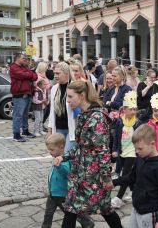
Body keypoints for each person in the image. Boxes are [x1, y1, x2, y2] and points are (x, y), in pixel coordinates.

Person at [54, 80, 123, 228]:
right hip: (79, 174)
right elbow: (81, 147)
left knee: (106, 209)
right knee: (71, 208)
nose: (68, 100)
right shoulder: (84, 115)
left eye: (71, 96)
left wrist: (106, 177)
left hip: (94, 177)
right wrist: (63, 156)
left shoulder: (96, 118)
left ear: (82, 95)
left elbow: (103, 151)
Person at [113, 124, 158, 228]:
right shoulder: (140, 158)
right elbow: (132, 177)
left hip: (150, 213)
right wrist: (114, 182)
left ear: (152, 144)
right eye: (135, 148)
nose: (137, 152)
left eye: (140, 148)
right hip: (137, 209)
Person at [42, 134, 94, 228]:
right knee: (48, 215)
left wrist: (59, 166)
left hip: (62, 195)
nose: (49, 152)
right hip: (52, 194)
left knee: (71, 213)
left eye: (52, 150)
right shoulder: (56, 158)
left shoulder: (66, 160)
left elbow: (67, 173)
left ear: (61, 147)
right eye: (49, 149)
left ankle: (86, 222)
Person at [111, 91, 142, 208]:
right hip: (122, 151)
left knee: (125, 174)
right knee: (129, 175)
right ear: (124, 109)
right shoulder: (120, 122)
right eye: (131, 109)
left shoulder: (137, 123)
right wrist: (115, 149)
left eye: (135, 109)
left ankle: (119, 197)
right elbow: (117, 137)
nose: (134, 112)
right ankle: (134, 191)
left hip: (132, 153)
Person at [47, 62, 76, 153]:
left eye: (58, 73)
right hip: (58, 128)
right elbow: (52, 111)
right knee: (57, 155)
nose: (55, 76)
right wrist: (50, 131)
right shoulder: (54, 88)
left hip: (72, 128)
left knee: (66, 155)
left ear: (66, 74)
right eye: (54, 73)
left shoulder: (74, 87)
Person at [10, 53, 38, 142]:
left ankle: (25, 131)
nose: (25, 59)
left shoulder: (24, 67)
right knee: (18, 115)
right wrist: (29, 74)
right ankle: (16, 134)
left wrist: (29, 73)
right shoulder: (14, 67)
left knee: (25, 115)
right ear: (17, 58)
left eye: (26, 58)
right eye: (23, 58)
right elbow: (25, 75)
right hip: (19, 95)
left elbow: (35, 76)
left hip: (28, 93)